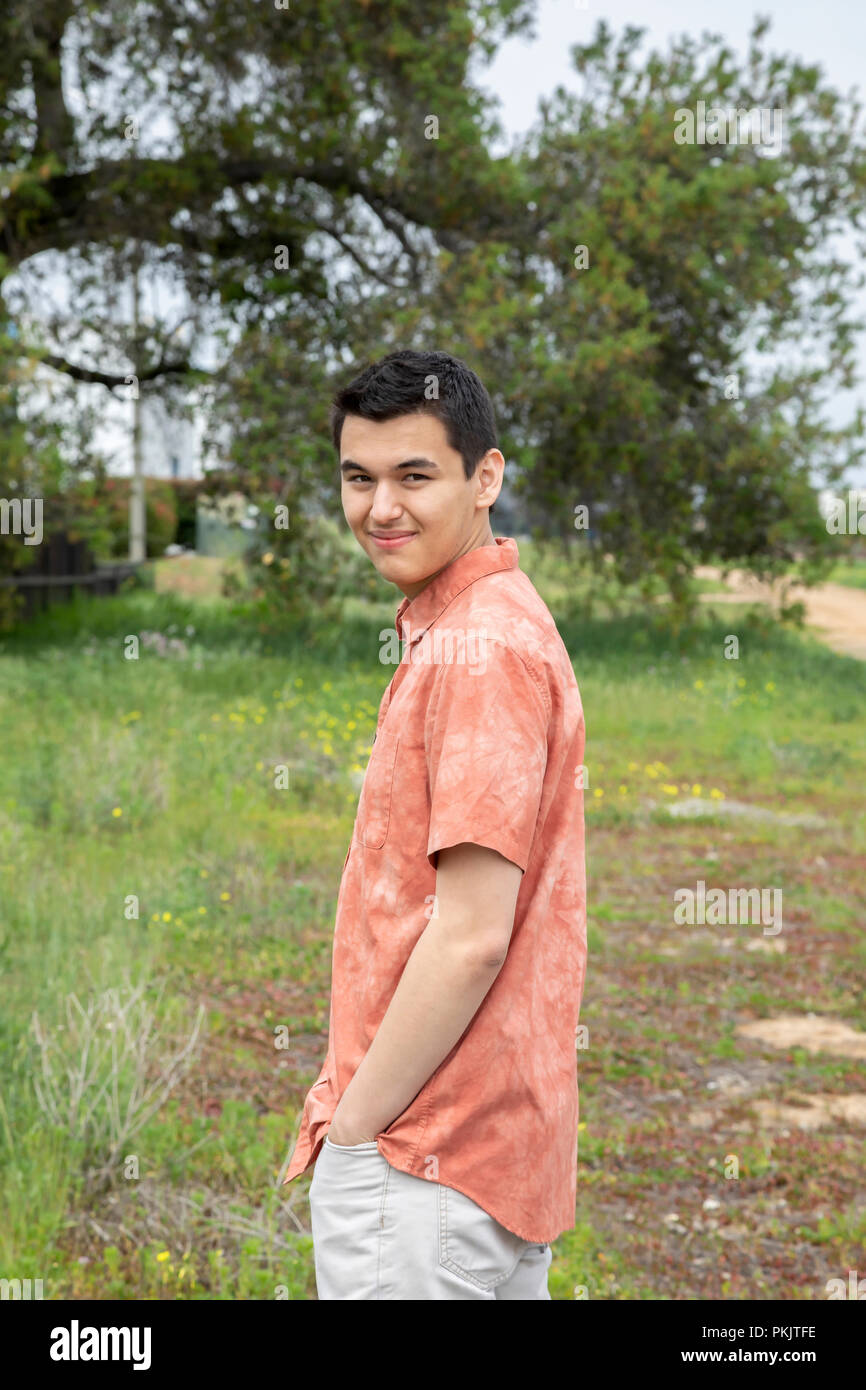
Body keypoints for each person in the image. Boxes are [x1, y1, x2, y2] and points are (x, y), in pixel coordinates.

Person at [281, 348, 587, 1300]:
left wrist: (356, 1131)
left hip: (422, 1167)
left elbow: (470, 938)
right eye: (358, 478)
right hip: (476, 1162)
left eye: (416, 475)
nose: (381, 509)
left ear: (485, 476)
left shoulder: (479, 648)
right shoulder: (478, 622)